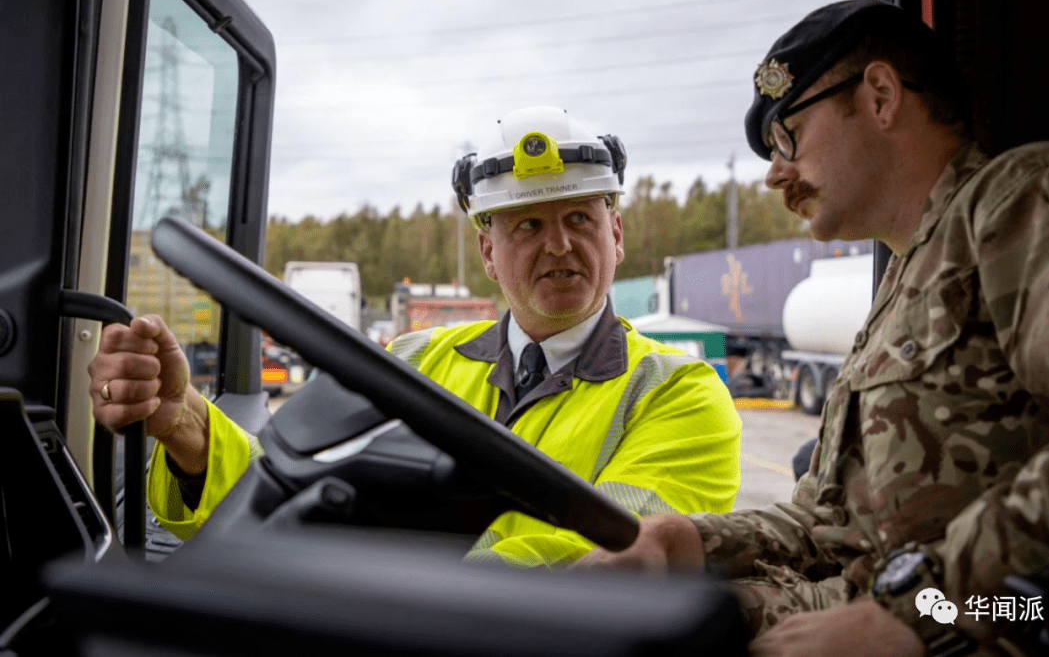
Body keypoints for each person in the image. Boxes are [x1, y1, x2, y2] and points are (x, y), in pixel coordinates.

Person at [573, 0, 1049, 657]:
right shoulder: (906, 274)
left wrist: (917, 612)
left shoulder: (1020, 200)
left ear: (879, 96)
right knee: (608, 613)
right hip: (883, 598)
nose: (775, 173)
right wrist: (689, 540)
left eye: (791, 136)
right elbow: (830, 521)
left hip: (984, 614)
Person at [88, 105, 743, 568]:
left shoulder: (681, 394)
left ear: (617, 236)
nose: (560, 244)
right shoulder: (414, 362)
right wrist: (184, 426)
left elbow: (617, 555)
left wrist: (374, 589)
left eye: (580, 217)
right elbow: (284, 486)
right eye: (525, 227)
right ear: (488, 253)